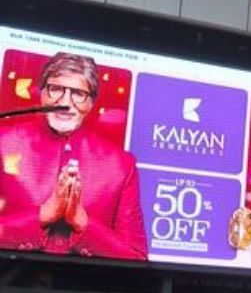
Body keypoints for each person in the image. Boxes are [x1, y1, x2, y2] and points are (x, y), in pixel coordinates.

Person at [0, 52, 147, 259]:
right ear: (42, 93)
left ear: (91, 103)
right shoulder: (3, 144)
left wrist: (83, 222)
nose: (65, 103)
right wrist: (42, 215)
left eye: (78, 93)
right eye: (56, 89)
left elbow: (137, 258)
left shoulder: (120, 165)